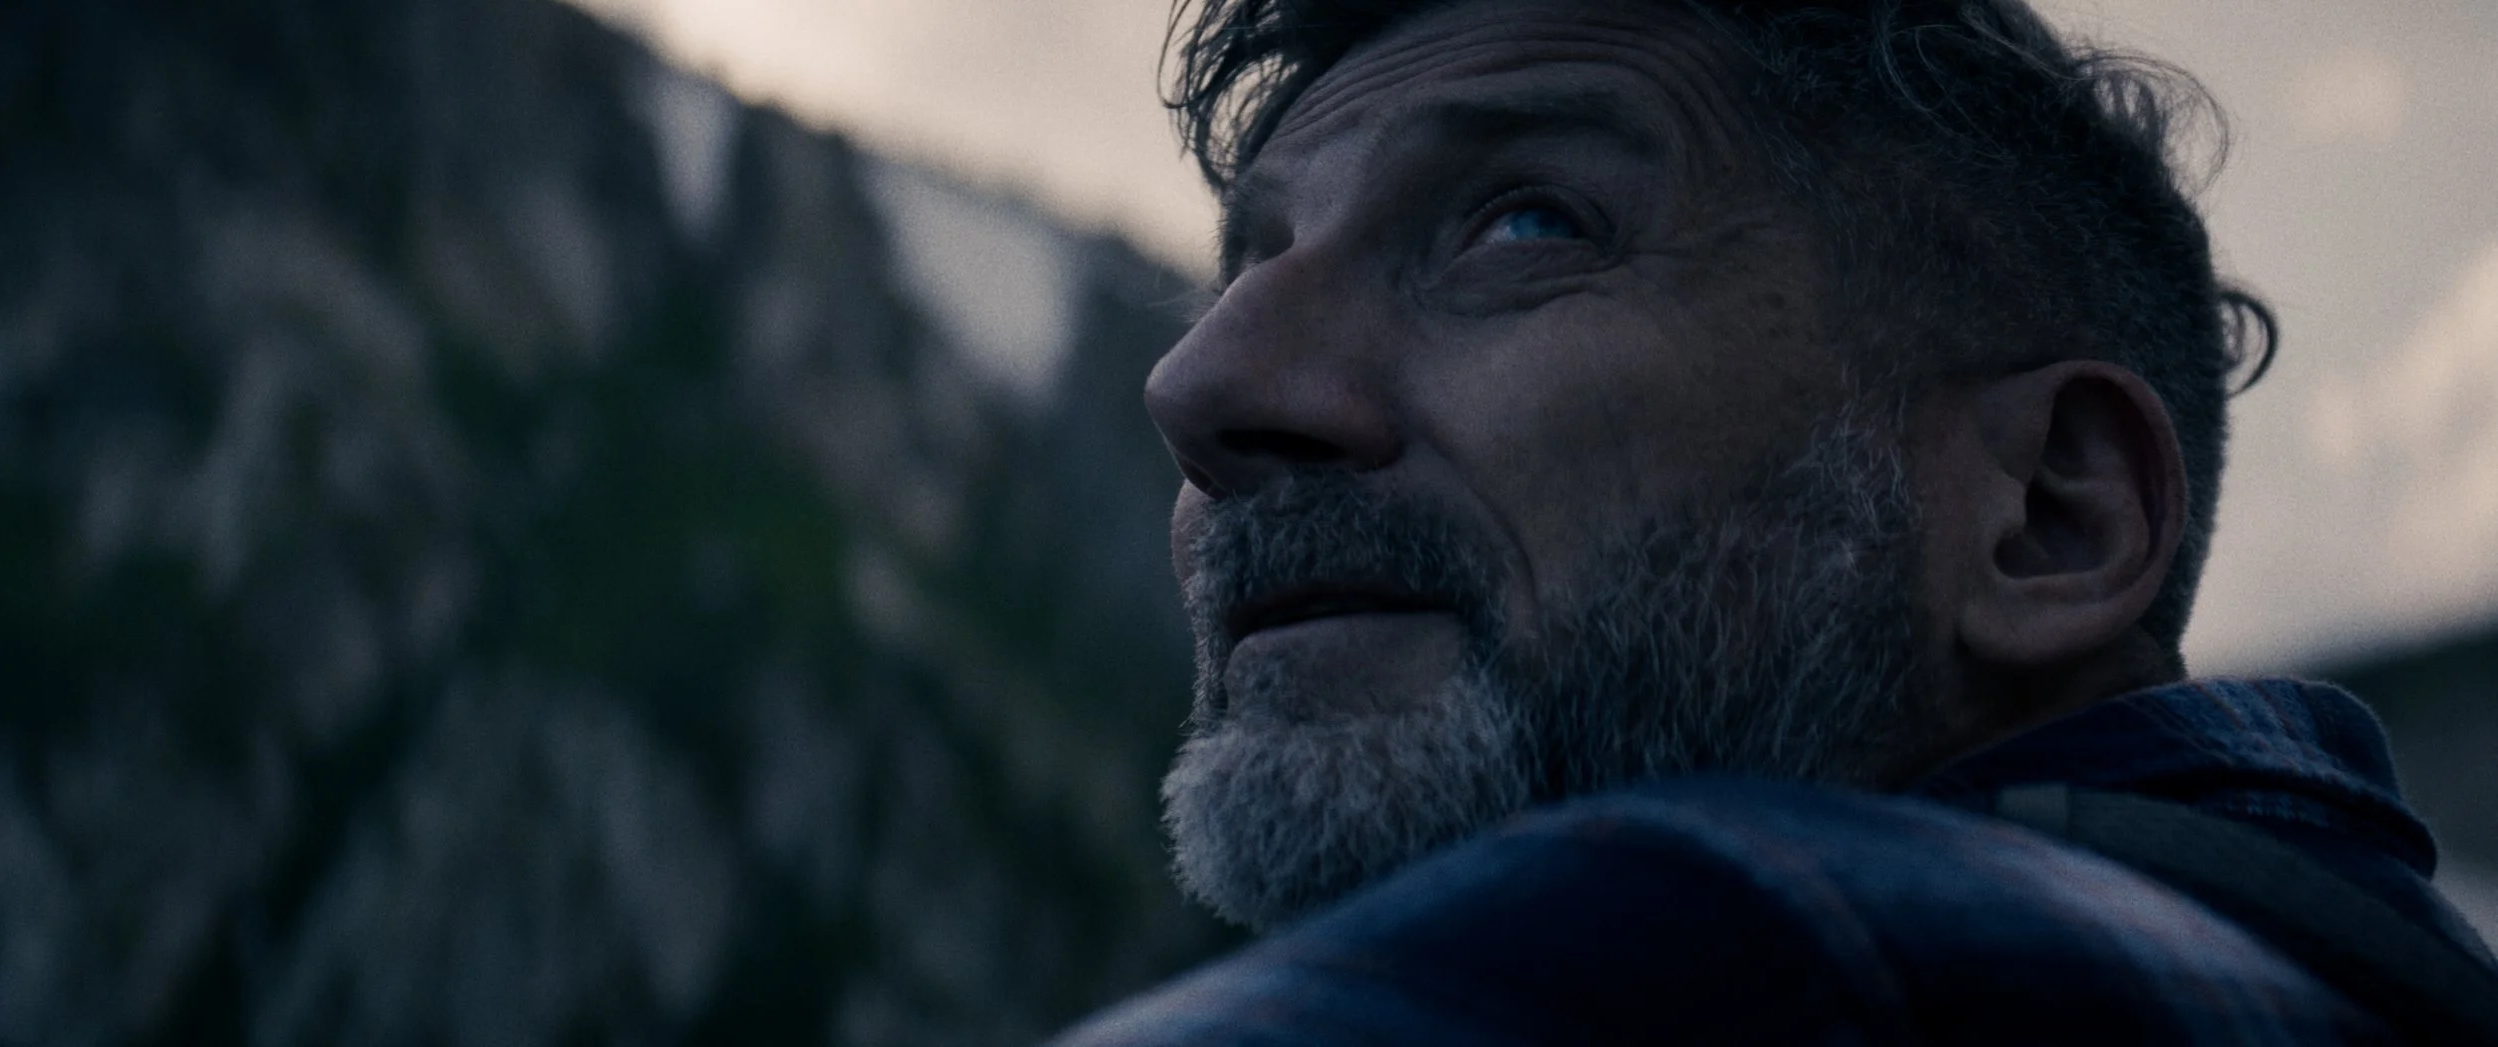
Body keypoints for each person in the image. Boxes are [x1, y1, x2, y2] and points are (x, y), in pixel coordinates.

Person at [1052, 0, 2498, 1042]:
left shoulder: (1737, 935)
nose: (1200, 382)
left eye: (1528, 223)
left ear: (2051, 512)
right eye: (1247, 269)